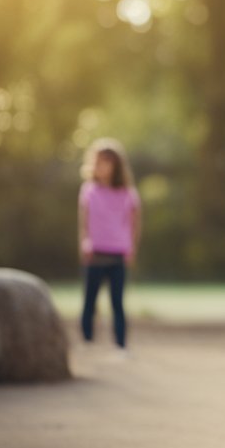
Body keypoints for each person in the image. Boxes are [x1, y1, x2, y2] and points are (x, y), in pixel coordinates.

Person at [78, 138, 141, 353]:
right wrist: (84, 243)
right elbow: (83, 220)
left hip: (118, 254)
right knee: (89, 300)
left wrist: (131, 248)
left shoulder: (127, 193)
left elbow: (133, 223)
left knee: (117, 302)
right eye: (98, 162)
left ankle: (121, 343)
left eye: (106, 163)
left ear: (116, 166)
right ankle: (87, 339)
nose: (101, 167)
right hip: (95, 252)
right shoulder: (89, 190)